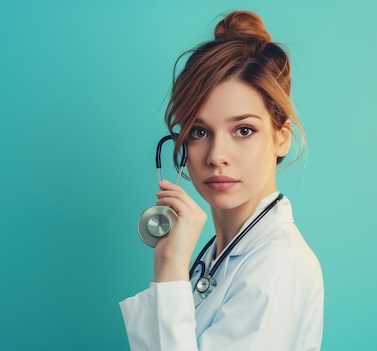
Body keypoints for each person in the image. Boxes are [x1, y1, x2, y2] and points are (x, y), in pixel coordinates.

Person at [120, 10, 324, 350]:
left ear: (281, 137)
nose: (216, 155)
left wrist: (170, 269)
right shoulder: (221, 255)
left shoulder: (277, 265)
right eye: (199, 131)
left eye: (244, 130)